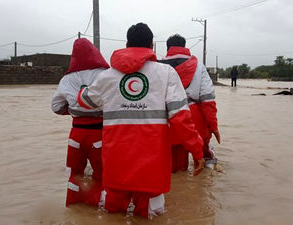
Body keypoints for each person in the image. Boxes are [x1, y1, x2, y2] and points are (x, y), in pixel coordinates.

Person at [77, 23, 205, 218]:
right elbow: (181, 119)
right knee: (149, 217)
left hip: (116, 163)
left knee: (113, 215)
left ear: (127, 44)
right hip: (152, 167)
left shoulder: (106, 76)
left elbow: (85, 101)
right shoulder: (167, 74)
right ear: (152, 46)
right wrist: (197, 150)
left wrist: (80, 88)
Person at [51, 38, 110, 207]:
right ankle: (97, 206)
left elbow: (55, 107)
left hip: (76, 134)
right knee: (101, 173)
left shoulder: (67, 79)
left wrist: (74, 109)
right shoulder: (105, 74)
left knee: (76, 173)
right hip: (100, 133)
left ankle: (74, 206)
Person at [158, 34, 220, 171]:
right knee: (204, 157)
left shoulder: (158, 66)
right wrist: (213, 126)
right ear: (184, 46)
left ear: (168, 47)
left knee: (175, 170)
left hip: (167, 120)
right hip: (195, 119)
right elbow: (208, 100)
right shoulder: (199, 66)